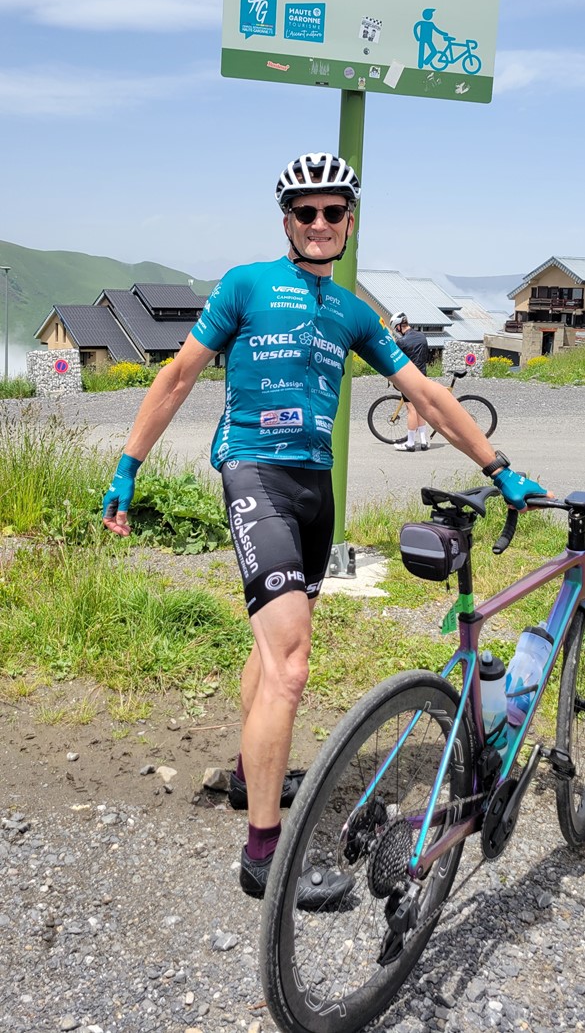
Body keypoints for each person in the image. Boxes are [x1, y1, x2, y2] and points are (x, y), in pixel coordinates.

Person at [102, 151, 548, 905]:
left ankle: (249, 775)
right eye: (304, 211)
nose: (318, 223)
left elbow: (425, 395)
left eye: (331, 211)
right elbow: (177, 376)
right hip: (256, 475)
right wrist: (127, 466)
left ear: (348, 220)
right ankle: (264, 857)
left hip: (316, 489)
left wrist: (498, 465)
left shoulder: (351, 312)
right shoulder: (245, 285)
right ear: (286, 220)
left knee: (271, 644)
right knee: (291, 663)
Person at [390, 312, 430, 451]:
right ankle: (424, 441)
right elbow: (426, 357)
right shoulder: (422, 337)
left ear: (398, 326)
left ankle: (411, 443)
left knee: (411, 409)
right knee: (420, 408)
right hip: (422, 377)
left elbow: (396, 362)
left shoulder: (401, 342)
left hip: (409, 379)